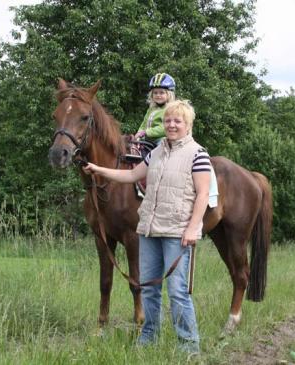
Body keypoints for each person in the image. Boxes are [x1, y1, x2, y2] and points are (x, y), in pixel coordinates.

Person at [83, 100, 210, 354]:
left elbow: (204, 194)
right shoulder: (157, 152)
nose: (172, 125)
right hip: (150, 230)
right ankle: (148, 337)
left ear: (188, 125)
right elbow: (131, 176)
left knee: (177, 292)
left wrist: (193, 228)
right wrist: (99, 169)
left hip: (177, 232)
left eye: (178, 121)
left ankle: (189, 346)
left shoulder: (198, 154)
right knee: (150, 288)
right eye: (168, 121)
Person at [133, 73, 176, 145]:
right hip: (147, 139)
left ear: (169, 94)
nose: (158, 95)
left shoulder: (170, 110)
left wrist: (147, 132)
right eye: (155, 93)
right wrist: (139, 133)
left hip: (161, 139)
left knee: (162, 148)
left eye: (161, 93)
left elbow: (165, 128)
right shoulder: (151, 109)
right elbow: (144, 124)